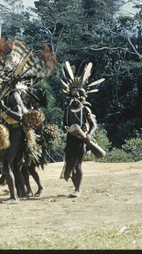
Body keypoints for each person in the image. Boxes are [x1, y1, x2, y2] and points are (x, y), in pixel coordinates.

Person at [61, 61, 105, 198]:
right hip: (70, 140)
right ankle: (75, 187)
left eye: (76, 95)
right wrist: (65, 128)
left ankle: (77, 189)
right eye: (72, 95)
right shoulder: (67, 110)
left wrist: (89, 135)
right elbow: (64, 124)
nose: (74, 97)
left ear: (81, 95)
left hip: (81, 140)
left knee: (78, 164)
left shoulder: (85, 109)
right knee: (70, 165)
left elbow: (94, 124)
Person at [0, 81, 30, 203]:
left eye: (2, 84)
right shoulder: (8, 96)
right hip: (14, 132)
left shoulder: (13, 95)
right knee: (15, 165)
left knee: (7, 164)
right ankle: (23, 193)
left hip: (16, 133)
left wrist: (4, 108)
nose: (0, 86)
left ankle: (13, 197)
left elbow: (19, 116)